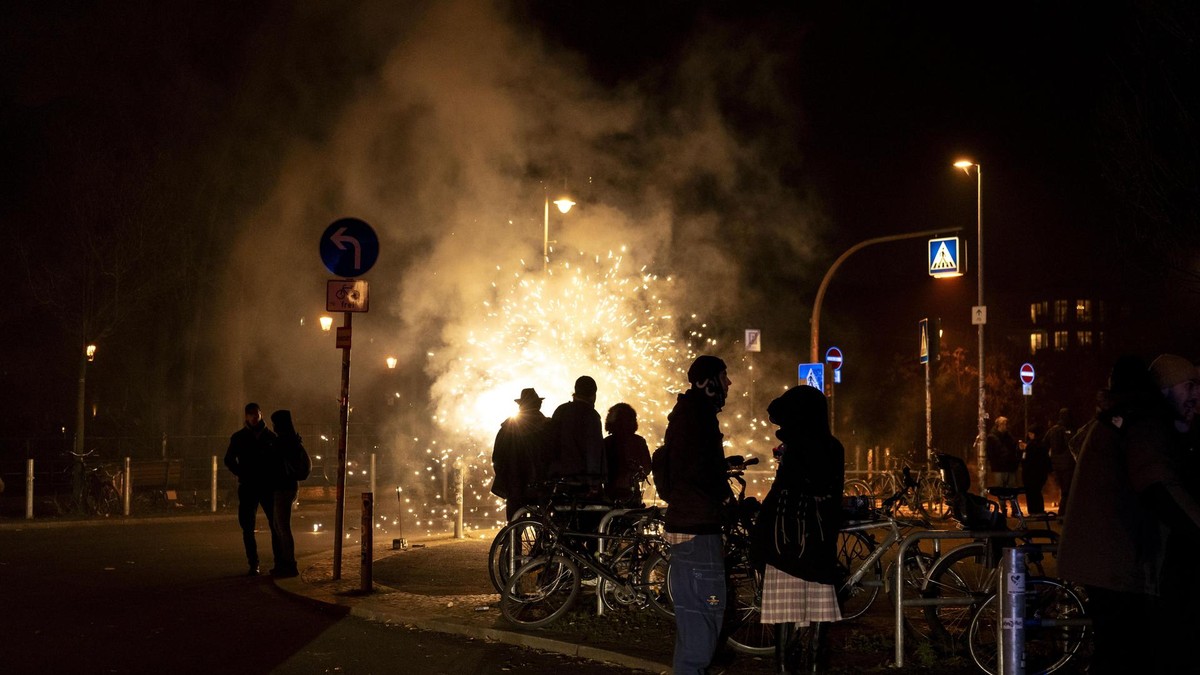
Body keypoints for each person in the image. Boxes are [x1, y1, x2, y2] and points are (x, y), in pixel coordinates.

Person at [1057, 354, 1200, 675]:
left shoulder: (1120, 418)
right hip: (1118, 564)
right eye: (1189, 385)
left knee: (1117, 654)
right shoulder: (1144, 422)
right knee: (1127, 656)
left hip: (1104, 560)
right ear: (1164, 389)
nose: (1197, 394)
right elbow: (1159, 485)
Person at [750, 385, 844, 674]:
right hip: (817, 547)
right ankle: (815, 666)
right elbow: (834, 497)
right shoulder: (832, 447)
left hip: (784, 547)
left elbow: (780, 494)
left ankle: (784, 667)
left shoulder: (796, 447)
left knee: (784, 615)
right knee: (819, 613)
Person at [659, 355, 733, 675]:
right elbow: (699, 471)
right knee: (705, 615)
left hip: (689, 521)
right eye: (723, 376)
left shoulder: (687, 415)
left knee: (695, 617)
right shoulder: (698, 417)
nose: (728, 383)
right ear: (706, 381)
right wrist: (725, 496)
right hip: (697, 525)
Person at [223, 402, 277, 576]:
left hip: (264, 486)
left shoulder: (269, 437)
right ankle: (254, 563)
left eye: (256, 414)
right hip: (250, 486)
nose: (254, 417)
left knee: (273, 525)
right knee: (248, 526)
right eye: (251, 414)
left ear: (261, 414)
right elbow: (229, 459)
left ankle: (274, 562)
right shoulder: (241, 437)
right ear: (247, 416)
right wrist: (241, 472)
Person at [490, 387, 551, 521]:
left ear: (521, 406)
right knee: (545, 525)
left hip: (515, 487)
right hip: (542, 487)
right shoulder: (548, 426)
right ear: (538, 405)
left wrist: (507, 480)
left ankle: (513, 539)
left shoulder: (508, 427)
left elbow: (497, 459)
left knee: (514, 526)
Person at [268, 409, 308, 578]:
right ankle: (286, 563)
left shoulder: (283, 442)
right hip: (288, 486)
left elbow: (275, 464)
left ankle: (289, 564)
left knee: (282, 527)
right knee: (280, 526)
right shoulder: (293, 440)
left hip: (282, 488)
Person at [547, 375, 606, 488]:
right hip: (582, 480)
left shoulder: (561, 410)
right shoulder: (591, 416)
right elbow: (593, 450)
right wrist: (594, 481)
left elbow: (551, 443)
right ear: (594, 395)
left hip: (559, 478)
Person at [602, 402, 652, 507]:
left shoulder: (606, 443)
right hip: (632, 497)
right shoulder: (639, 441)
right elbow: (647, 468)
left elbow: (600, 470)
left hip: (609, 497)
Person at [984, 416, 1021, 513]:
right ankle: (1004, 509)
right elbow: (994, 452)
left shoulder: (1008, 436)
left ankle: (1014, 509)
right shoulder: (992, 437)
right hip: (999, 467)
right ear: (999, 425)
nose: (1006, 426)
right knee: (1001, 489)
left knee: (1012, 489)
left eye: (1006, 424)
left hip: (1009, 466)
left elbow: (1013, 447)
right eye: (1004, 424)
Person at [1043, 407, 1075, 516]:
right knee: (1067, 491)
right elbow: (1073, 446)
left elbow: (1044, 444)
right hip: (1068, 465)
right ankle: (1064, 514)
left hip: (1056, 466)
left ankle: (1063, 513)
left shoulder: (1052, 430)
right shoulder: (1069, 430)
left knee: (1062, 489)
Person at [1019, 423, 1051, 515]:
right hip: (1039, 474)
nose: (1030, 435)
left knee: (1032, 493)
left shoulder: (1032, 446)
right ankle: (1038, 510)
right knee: (1036, 492)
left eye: (1031, 434)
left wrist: (1024, 450)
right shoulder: (1042, 444)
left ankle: (1034, 511)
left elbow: (1027, 460)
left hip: (1031, 474)